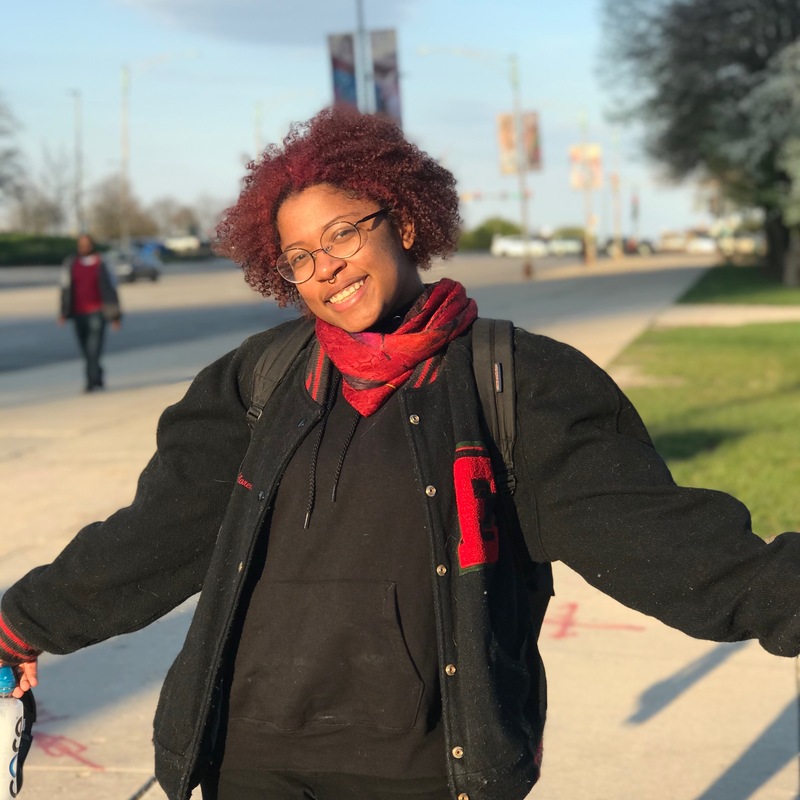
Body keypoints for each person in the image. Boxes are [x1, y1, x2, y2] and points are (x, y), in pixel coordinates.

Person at [2, 106, 800, 800]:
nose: (327, 268)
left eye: (343, 232)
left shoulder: (517, 383)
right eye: (300, 257)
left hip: (424, 767)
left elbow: (661, 545)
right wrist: (19, 624)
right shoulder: (256, 381)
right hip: (251, 759)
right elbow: (155, 536)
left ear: (406, 222)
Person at [58, 232, 122, 392]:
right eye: (81, 244)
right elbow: (65, 288)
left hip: (97, 312)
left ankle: (90, 382)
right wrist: (63, 312)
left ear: (92, 245)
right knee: (86, 350)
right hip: (78, 313)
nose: (84, 247)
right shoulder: (70, 263)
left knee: (94, 349)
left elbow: (111, 289)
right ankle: (98, 374)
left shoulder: (102, 263)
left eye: (87, 244)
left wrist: (115, 315)